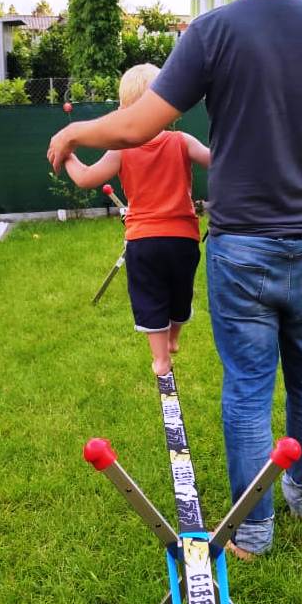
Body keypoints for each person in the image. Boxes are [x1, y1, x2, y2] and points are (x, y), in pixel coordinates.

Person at [48, 0, 302, 556]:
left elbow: (142, 124)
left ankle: (253, 531)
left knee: (248, 386)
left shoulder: (212, 32)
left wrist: (78, 126)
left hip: (243, 245)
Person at [61, 63, 210, 376]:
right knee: (180, 293)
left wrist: (68, 156)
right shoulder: (182, 141)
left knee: (150, 297)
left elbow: (87, 179)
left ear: (124, 110)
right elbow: (216, 161)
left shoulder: (121, 150)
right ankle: (174, 339)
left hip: (143, 241)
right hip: (183, 239)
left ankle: (160, 359)